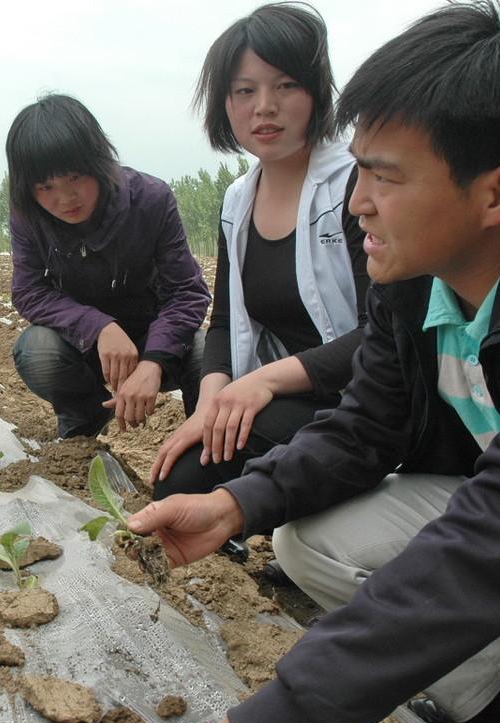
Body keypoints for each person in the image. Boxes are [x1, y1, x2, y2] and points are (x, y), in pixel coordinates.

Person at [108, 2, 500, 723]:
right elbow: (365, 425)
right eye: (360, 168)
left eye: (385, 176)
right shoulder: (417, 269)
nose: (357, 201)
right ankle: (488, 688)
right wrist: (236, 505)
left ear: (499, 192)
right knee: (306, 539)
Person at [149, 3, 367, 509]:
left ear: (316, 92)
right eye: (245, 91)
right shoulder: (237, 201)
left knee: (212, 470)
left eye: (286, 85)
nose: (264, 106)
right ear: (224, 104)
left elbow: (382, 334)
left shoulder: (357, 186)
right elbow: (223, 322)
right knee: (180, 478)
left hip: (355, 396)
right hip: (279, 392)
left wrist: (263, 383)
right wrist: (209, 404)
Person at [6, 94, 210, 438]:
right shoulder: (29, 217)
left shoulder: (151, 199)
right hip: (84, 346)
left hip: (153, 335)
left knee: (207, 351)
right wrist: (98, 327)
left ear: (98, 161)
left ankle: (200, 436)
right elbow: (28, 290)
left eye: (74, 178)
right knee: (37, 350)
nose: (65, 198)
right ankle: (84, 419)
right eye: (46, 187)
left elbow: (187, 292)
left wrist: (155, 361)